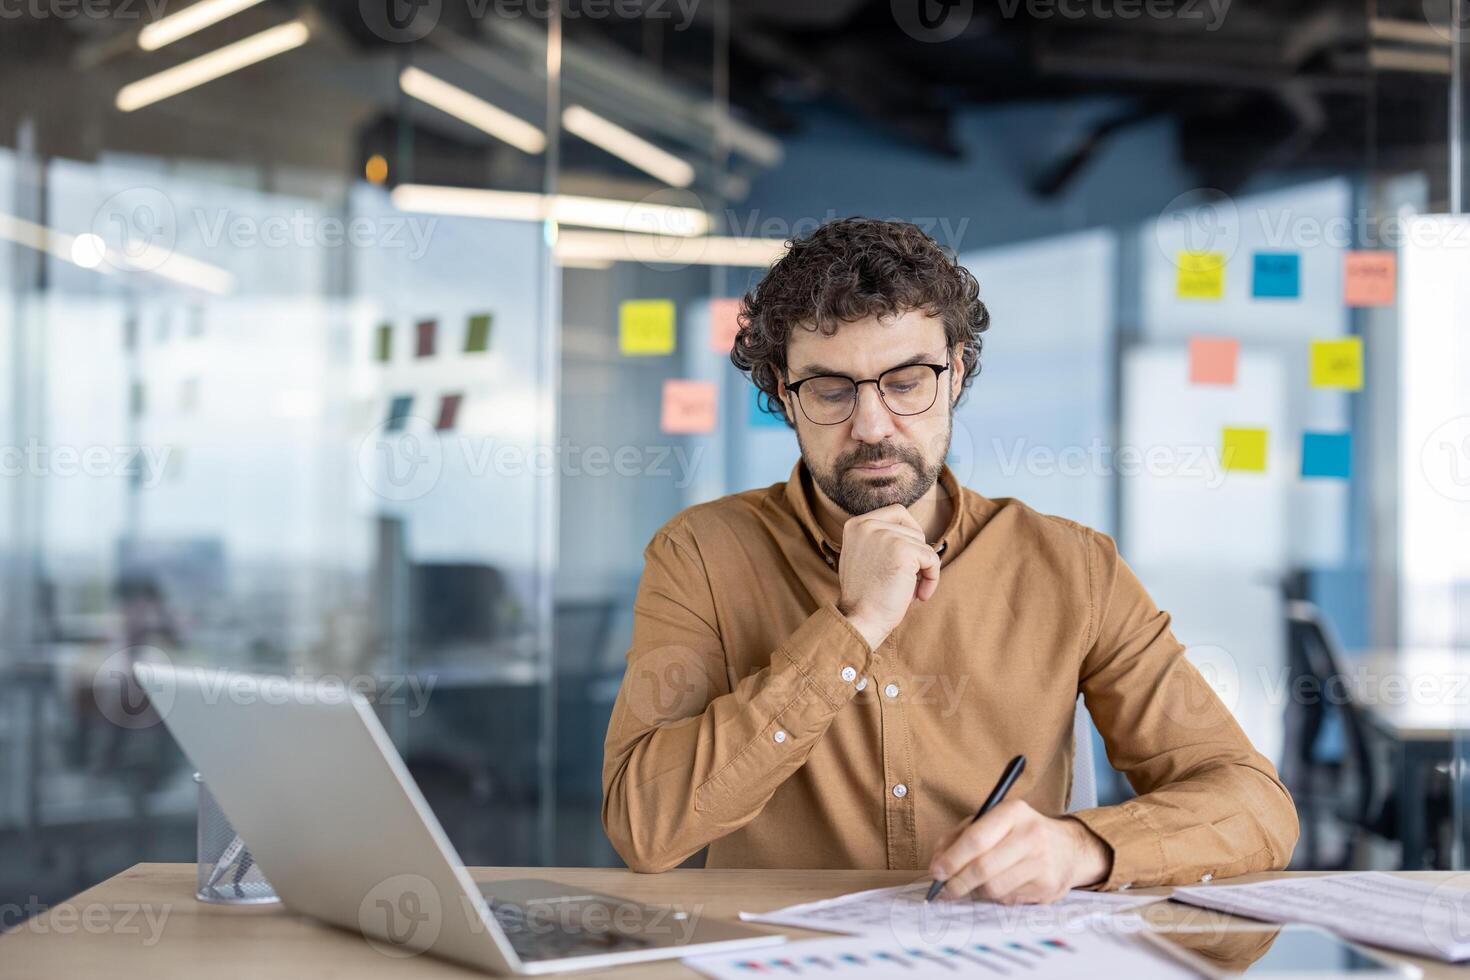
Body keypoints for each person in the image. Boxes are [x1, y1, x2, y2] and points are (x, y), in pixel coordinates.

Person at [602, 217, 1297, 902]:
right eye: (831, 390)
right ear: (786, 392)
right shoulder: (698, 553)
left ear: (956, 372)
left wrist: (1084, 847)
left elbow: (1255, 806)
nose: (871, 426)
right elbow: (645, 827)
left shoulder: (1072, 567)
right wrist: (852, 626)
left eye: (906, 381)